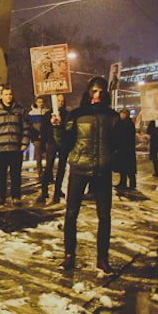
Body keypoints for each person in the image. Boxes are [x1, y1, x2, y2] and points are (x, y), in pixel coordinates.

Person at [54, 77, 121, 273]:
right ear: (88, 93)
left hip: (102, 170)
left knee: (104, 215)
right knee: (71, 213)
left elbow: (119, 143)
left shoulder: (112, 116)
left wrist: (111, 159)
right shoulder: (77, 114)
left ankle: (102, 258)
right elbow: (65, 144)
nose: (97, 94)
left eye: (100, 91)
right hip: (79, 168)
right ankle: (69, 255)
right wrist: (58, 127)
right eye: (94, 91)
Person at [0, 86, 29, 206]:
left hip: (16, 148)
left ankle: (16, 197)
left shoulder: (20, 111)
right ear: (1, 96)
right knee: (1, 175)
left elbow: (26, 128)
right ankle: (0, 196)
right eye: (6, 94)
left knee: (16, 175)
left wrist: (24, 143)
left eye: (10, 94)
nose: (8, 97)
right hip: (0, 148)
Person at [40, 94, 69, 204]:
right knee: (48, 168)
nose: (61, 103)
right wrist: (43, 144)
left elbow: (68, 129)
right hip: (51, 143)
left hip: (63, 144)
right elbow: (43, 130)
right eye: (59, 100)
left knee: (61, 169)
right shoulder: (48, 114)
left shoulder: (67, 115)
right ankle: (44, 191)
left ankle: (57, 191)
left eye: (62, 100)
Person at [113, 109, 137, 190]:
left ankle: (132, 183)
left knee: (129, 168)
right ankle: (122, 182)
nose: (121, 115)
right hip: (122, 149)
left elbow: (126, 136)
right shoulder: (120, 122)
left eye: (122, 114)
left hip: (127, 149)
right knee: (122, 167)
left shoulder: (128, 123)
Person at [27, 96, 48, 181]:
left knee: (48, 156)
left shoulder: (46, 112)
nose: (40, 103)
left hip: (45, 137)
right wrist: (35, 136)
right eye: (39, 102)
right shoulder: (31, 113)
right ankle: (40, 172)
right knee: (38, 156)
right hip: (36, 137)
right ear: (36, 102)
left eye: (42, 102)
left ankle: (47, 172)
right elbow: (30, 126)